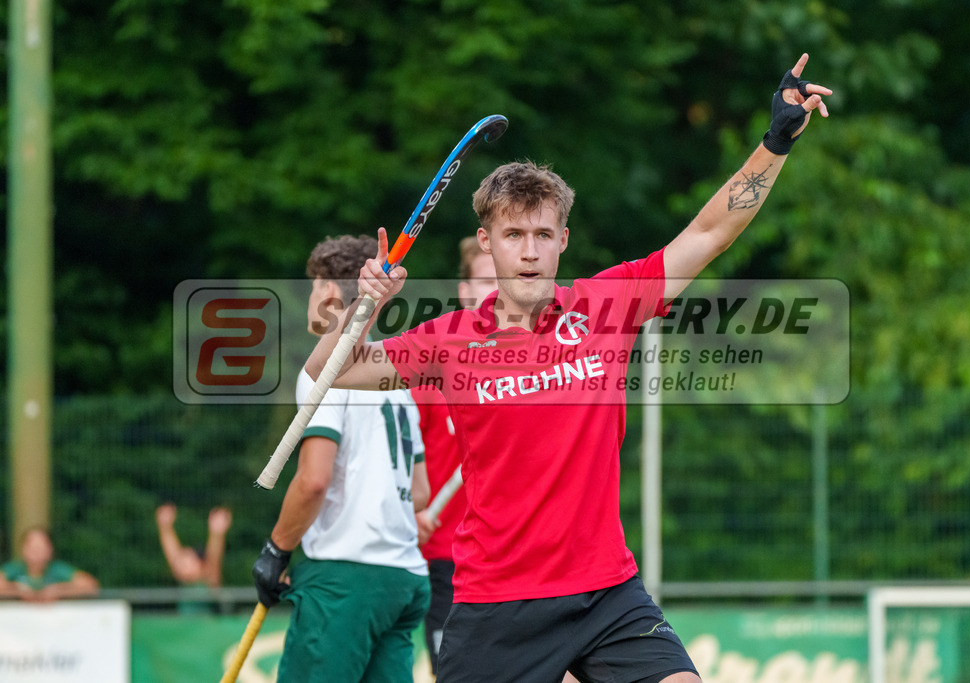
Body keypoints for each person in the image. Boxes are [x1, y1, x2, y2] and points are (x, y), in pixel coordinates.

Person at [307, 55, 831, 682]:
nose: (528, 251)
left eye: (542, 234)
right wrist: (364, 308)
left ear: (563, 240)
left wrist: (774, 143)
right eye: (513, 235)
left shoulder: (608, 303)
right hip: (497, 604)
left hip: (605, 595)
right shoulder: (446, 341)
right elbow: (330, 370)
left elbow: (711, 231)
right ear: (487, 241)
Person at [251, 234, 431, 683]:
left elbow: (314, 480)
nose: (312, 295)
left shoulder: (327, 372)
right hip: (404, 580)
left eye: (313, 285)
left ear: (330, 291)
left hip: (345, 578)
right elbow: (421, 492)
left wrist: (277, 548)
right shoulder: (395, 379)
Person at [413, 236, 497, 674]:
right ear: (464, 291)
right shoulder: (429, 372)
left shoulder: (531, 363)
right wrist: (410, 513)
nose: (494, 290)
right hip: (447, 557)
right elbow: (400, 464)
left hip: (508, 551)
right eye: (484, 281)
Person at [155, 503, 232, 612]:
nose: (180, 565)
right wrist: (165, 528)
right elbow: (173, 557)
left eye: (186, 563)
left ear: (201, 564)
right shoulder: (184, 584)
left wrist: (217, 534)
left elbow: (213, 558)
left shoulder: (210, 579)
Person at [0, 526, 100, 602]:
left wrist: (59, 590)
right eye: (32, 547)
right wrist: (18, 591)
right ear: (23, 549)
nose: (36, 552)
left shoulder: (57, 568)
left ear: (50, 549)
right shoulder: (15, 568)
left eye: (41, 547)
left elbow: (90, 585)